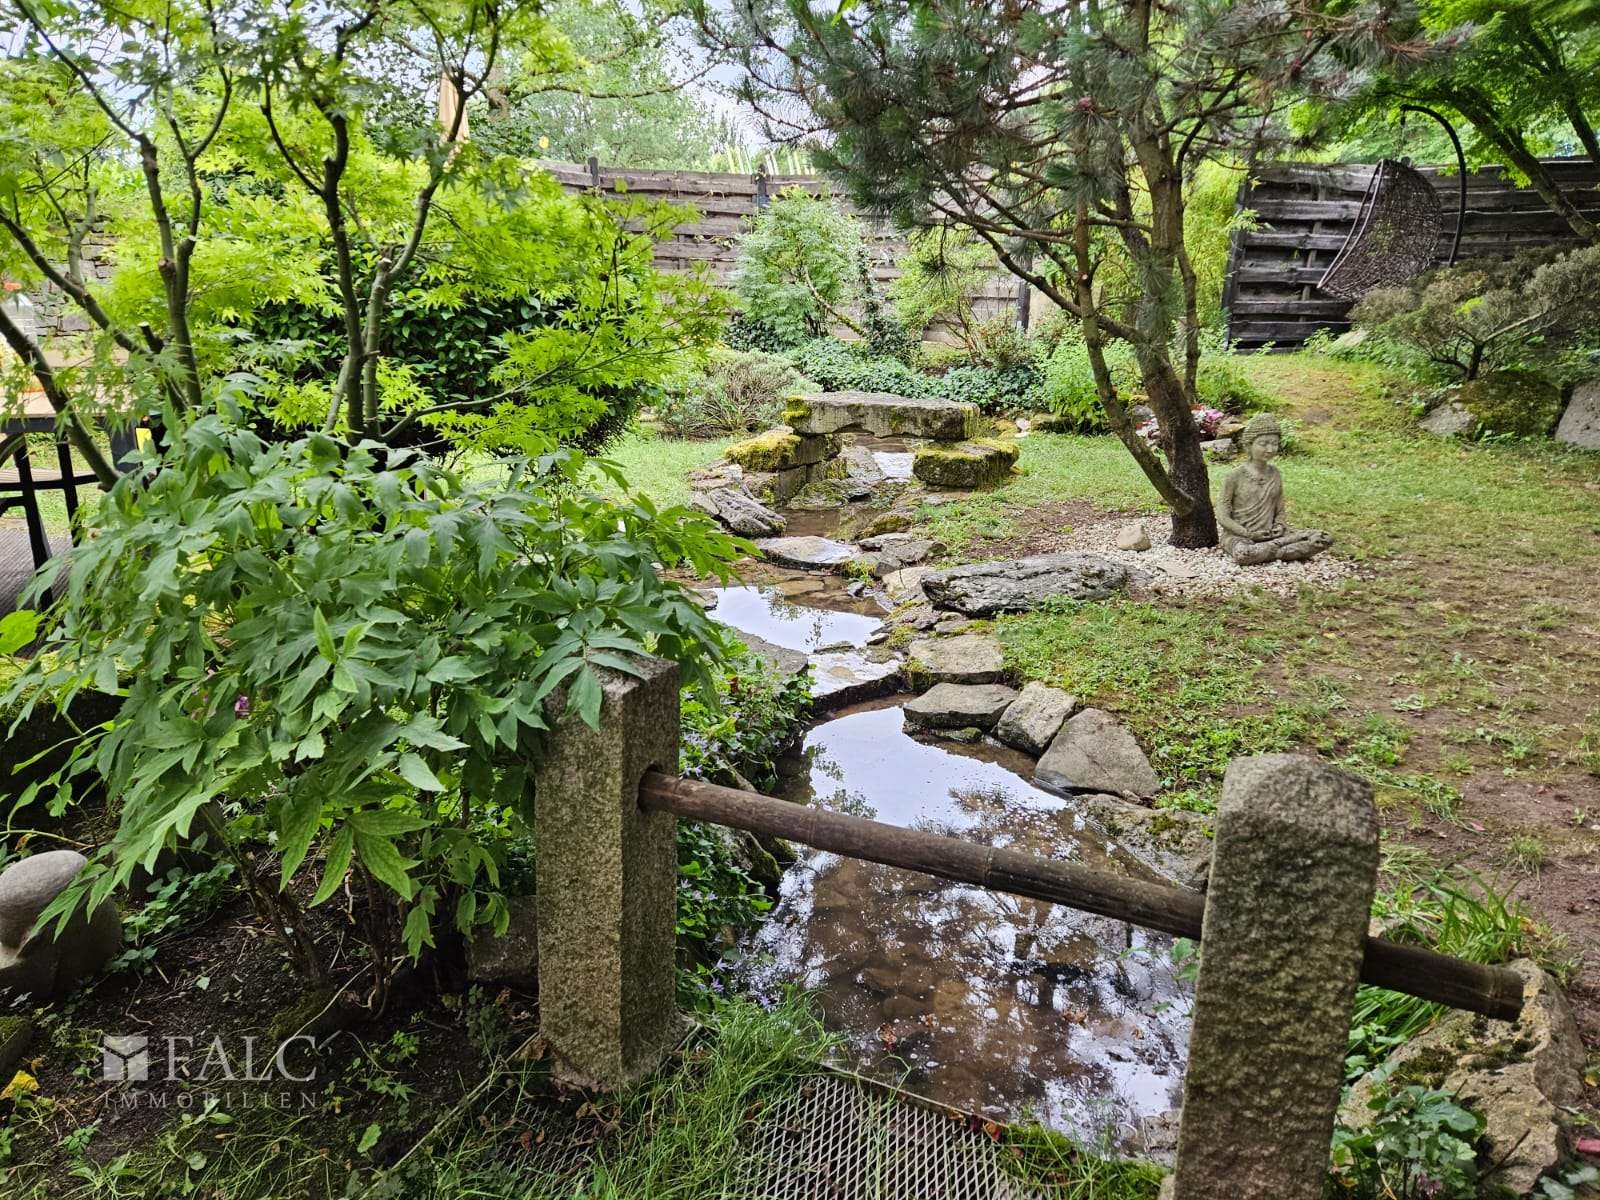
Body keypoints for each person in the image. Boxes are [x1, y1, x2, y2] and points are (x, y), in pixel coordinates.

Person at [1215, 413, 1331, 565]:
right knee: (1244, 554)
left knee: (1324, 539)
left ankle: (1273, 550)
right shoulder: (1234, 476)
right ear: (1249, 445)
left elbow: (1280, 510)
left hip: (1271, 535)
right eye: (1263, 444)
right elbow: (1222, 516)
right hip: (1240, 537)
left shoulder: (1275, 473)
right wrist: (1248, 533)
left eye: (1274, 443)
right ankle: (1283, 551)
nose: (1270, 449)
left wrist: (1279, 525)